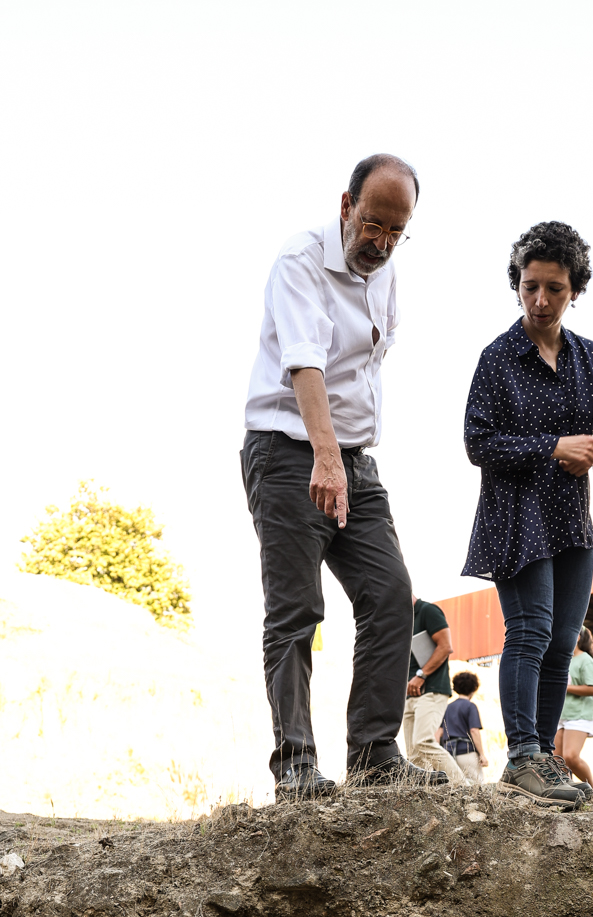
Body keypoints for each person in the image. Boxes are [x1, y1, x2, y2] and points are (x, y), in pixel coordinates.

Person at [241, 152, 448, 799]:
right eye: (372, 225)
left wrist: (347, 458)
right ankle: (297, 765)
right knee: (296, 610)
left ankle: (373, 754)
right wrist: (325, 457)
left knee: (391, 596)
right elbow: (306, 364)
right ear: (345, 207)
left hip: (355, 459)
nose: (381, 243)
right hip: (286, 452)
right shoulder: (299, 261)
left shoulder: (386, 276)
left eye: (396, 230)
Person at [463, 221, 593, 810]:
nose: (540, 300)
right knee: (528, 634)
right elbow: (478, 442)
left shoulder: (590, 358)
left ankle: (547, 764)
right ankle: (522, 757)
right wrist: (555, 446)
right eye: (530, 286)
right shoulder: (497, 357)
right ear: (518, 285)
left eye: (554, 288)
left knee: (562, 644)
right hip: (515, 517)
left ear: (574, 288)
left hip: (571, 522)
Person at [402, 595, 466, 785]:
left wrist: (421, 675)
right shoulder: (403, 618)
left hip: (431, 689)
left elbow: (445, 646)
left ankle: (463, 788)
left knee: (423, 741)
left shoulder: (428, 611)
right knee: (413, 754)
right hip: (408, 694)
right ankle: (423, 796)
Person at [555, 627, 593, 792]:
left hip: (579, 716)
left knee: (570, 757)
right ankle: (569, 793)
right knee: (557, 760)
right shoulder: (562, 659)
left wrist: (565, 688)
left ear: (578, 637)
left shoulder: (585, 660)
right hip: (559, 715)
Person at [439, 671, 489, 783]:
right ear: (474, 688)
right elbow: (474, 731)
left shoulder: (447, 708)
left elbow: (438, 733)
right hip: (467, 753)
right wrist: (481, 754)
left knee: (455, 786)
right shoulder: (470, 706)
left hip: (449, 754)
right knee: (476, 786)